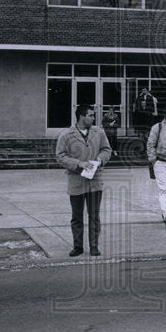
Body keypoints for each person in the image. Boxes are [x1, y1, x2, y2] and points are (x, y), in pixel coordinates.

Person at [55, 103, 112, 256]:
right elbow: (60, 156)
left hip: (95, 180)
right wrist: (78, 163)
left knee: (94, 216)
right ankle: (78, 246)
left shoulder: (99, 132)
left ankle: (94, 246)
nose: (94, 118)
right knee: (77, 216)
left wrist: (99, 160)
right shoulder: (66, 135)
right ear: (81, 116)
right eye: (91, 115)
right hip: (76, 180)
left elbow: (107, 149)